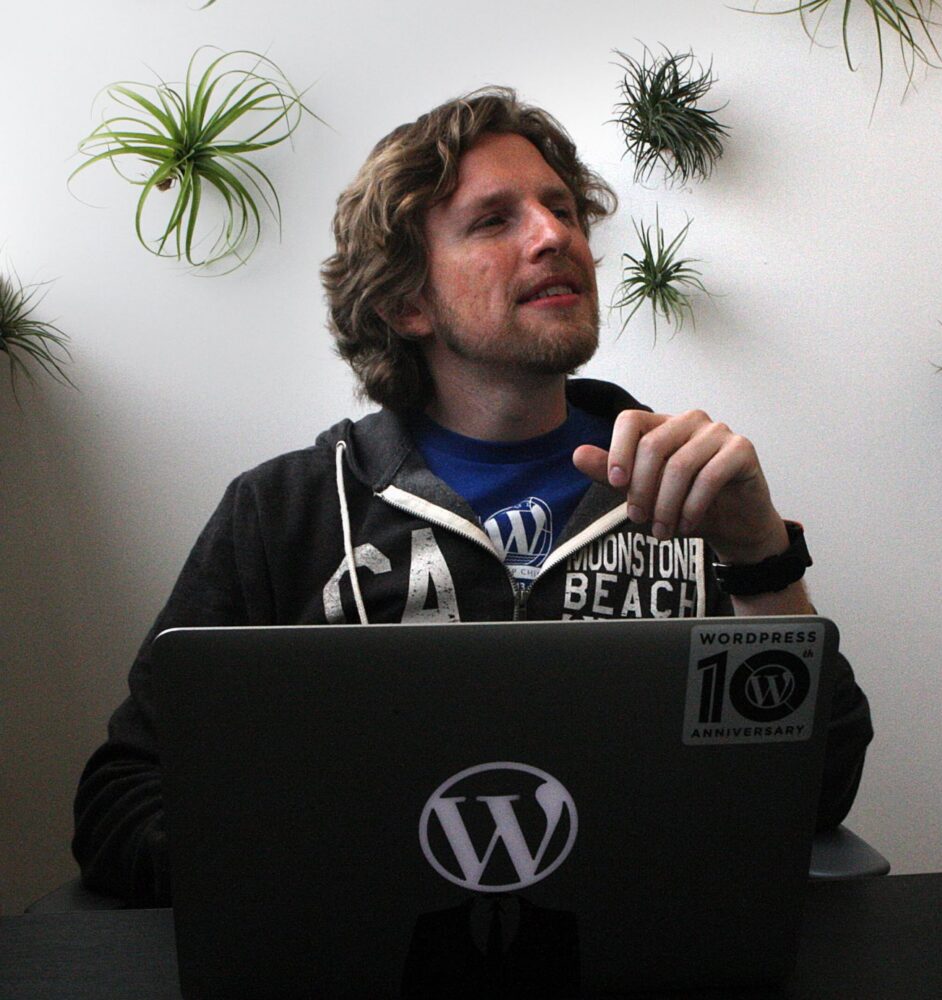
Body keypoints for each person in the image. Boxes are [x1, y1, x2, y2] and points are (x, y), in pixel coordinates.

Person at [73, 87, 872, 907]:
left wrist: (759, 557)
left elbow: (816, 793)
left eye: (561, 209)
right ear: (404, 301)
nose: (554, 235)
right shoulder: (284, 512)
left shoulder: (688, 488)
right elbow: (122, 801)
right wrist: (320, 875)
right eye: (494, 220)